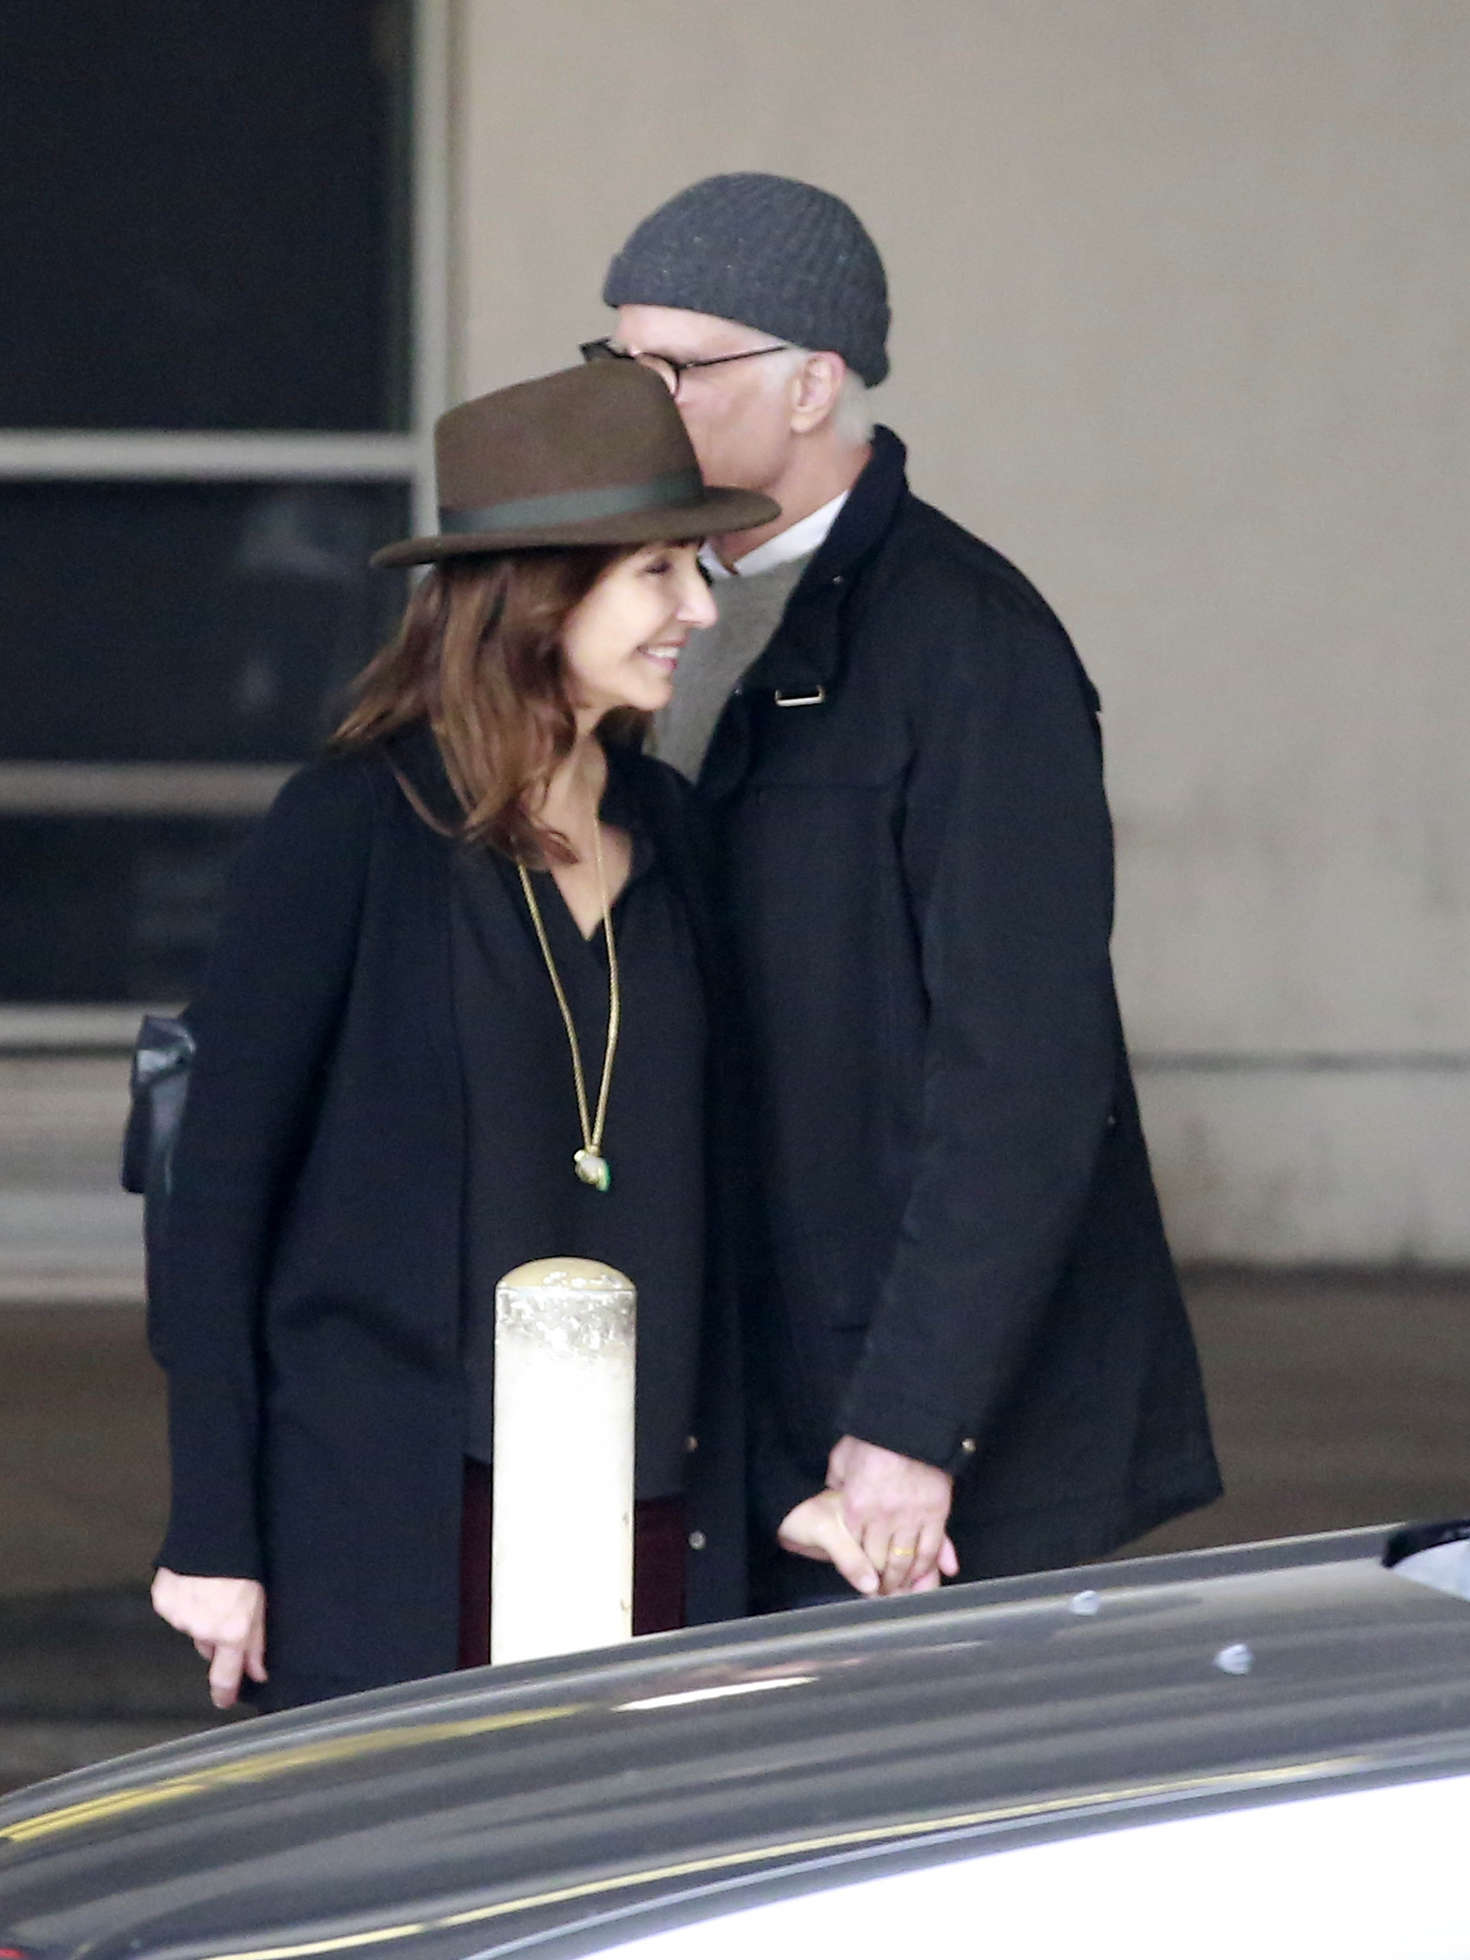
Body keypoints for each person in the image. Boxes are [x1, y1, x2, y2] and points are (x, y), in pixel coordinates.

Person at [589, 173, 1222, 1608]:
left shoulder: (969, 648)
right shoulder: (636, 618)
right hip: (717, 1360)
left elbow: (1026, 1074)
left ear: (814, 383)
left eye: (677, 368)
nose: (635, 402)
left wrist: (912, 1426)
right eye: (616, 362)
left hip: (892, 1408)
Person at [147, 361, 782, 1711]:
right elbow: (215, 1200)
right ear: (539, 591)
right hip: (398, 1522)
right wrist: (213, 1531)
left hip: (653, 1506)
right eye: (658, 571)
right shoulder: (355, 831)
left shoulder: (677, 832)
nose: (697, 606)